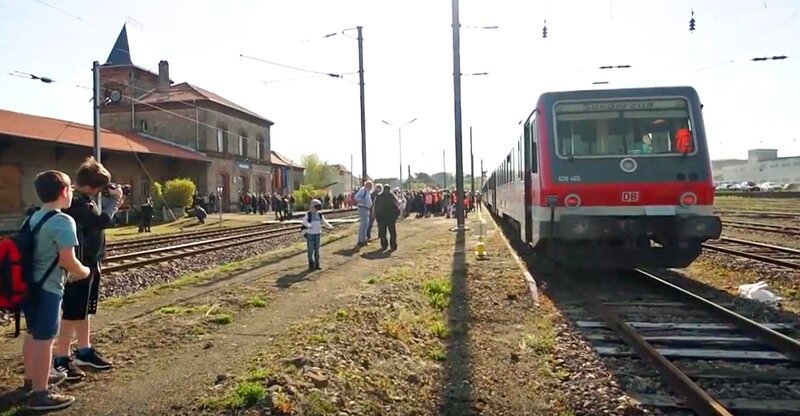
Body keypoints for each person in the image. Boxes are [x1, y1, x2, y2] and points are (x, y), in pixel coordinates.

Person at [23, 170, 91, 410]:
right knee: (45, 339)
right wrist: (84, 271)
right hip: (49, 288)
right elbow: (67, 260)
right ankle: (40, 394)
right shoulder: (63, 221)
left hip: (30, 286)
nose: (72, 191)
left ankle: (32, 379)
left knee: (33, 333)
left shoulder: (32, 217)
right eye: (70, 187)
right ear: (64, 191)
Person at [54, 157, 122, 380]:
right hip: (78, 266)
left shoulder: (84, 200)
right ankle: (61, 359)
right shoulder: (76, 203)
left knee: (84, 311)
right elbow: (100, 222)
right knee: (72, 314)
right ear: (94, 186)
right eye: (101, 188)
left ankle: (84, 350)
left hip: (90, 262)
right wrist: (114, 203)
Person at [302, 199, 333, 270]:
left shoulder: (319, 214)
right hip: (310, 234)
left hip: (318, 234)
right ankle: (311, 263)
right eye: (316, 207)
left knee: (317, 250)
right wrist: (309, 225)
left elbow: (324, 221)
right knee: (310, 249)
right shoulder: (308, 214)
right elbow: (304, 221)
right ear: (312, 206)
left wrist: (329, 226)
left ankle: (317, 264)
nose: (317, 209)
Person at [374, 185, 400, 251]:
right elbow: (397, 204)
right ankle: (393, 246)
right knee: (392, 232)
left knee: (383, 232)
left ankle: (384, 246)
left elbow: (375, 206)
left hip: (381, 217)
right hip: (390, 217)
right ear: (389, 189)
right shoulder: (392, 195)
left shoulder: (378, 196)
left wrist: (374, 215)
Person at [353, 181, 374, 246]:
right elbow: (356, 197)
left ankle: (362, 239)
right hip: (363, 208)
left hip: (366, 208)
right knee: (364, 225)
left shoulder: (367, 191)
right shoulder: (363, 190)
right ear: (366, 185)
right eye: (369, 185)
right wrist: (363, 201)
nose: (371, 186)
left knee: (365, 225)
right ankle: (362, 240)